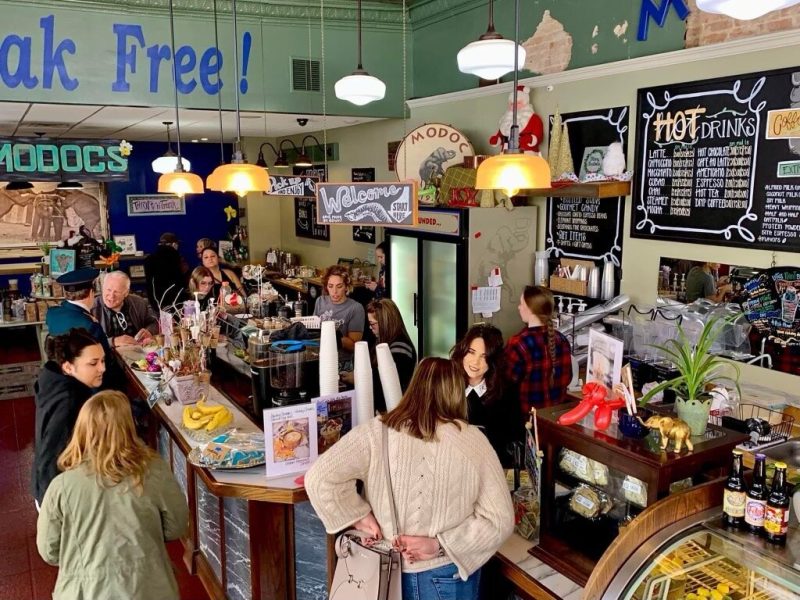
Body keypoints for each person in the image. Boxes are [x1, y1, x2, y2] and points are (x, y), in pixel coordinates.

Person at [305, 358, 514, 600]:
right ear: (457, 392)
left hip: (380, 573)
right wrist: (440, 544)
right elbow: (500, 519)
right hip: (446, 575)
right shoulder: (473, 441)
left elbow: (319, 479)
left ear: (414, 385)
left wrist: (359, 516)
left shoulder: (377, 431)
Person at [36, 390, 189, 600]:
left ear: (82, 429)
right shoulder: (154, 471)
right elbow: (177, 527)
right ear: (129, 428)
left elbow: (49, 551)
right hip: (149, 589)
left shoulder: (60, 486)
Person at [32, 328, 106, 507]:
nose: (102, 368)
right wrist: (52, 505)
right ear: (68, 366)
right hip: (57, 495)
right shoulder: (70, 401)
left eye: (103, 360)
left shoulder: (54, 381)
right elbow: (51, 453)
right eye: (93, 363)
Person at [45, 267, 123, 390]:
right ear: (91, 293)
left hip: (60, 377)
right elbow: (104, 360)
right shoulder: (90, 324)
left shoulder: (52, 313)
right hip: (87, 385)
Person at [450, 324, 513, 465]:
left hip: (491, 466)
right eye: (471, 352)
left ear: (493, 361)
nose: (475, 362)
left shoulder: (506, 391)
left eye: (484, 356)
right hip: (452, 465)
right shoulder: (447, 383)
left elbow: (509, 442)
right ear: (463, 351)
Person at [505, 285, 573, 410]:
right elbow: (568, 378)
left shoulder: (518, 343)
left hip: (527, 421)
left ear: (531, 309)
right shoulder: (562, 340)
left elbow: (506, 385)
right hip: (554, 419)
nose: (518, 307)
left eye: (521, 304)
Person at [367, 298, 416, 412]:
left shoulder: (400, 350)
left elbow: (389, 384)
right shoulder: (385, 341)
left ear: (384, 322)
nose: (370, 328)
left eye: (372, 324)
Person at [92, 271, 159, 348]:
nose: (111, 296)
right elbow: (85, 342)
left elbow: (156, 323)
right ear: (102, 288)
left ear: (126, 293)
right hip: (106, 356)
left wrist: (149, 331)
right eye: (108, 290)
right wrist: (113, 341)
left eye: (116, 292)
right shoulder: (92, 308)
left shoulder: (138, 303)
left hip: (138, 352)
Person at [313, 265, 365, 362]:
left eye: (339, 286)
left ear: (346, 287)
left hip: (341, 361)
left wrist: (332, 335)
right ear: (326, 287)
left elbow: (355, 347)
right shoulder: (320, 301)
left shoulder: (355, 308)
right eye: (330, 286)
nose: (334, 291)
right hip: (318, 357)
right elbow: (313, 331)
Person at [144, 232, 187, 311]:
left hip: (157, 303)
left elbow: (150, 284)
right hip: (175, 302)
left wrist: (155, 305)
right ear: (174, 244)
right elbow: (180, 282)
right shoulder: (176, 258)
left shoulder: (149, 259)